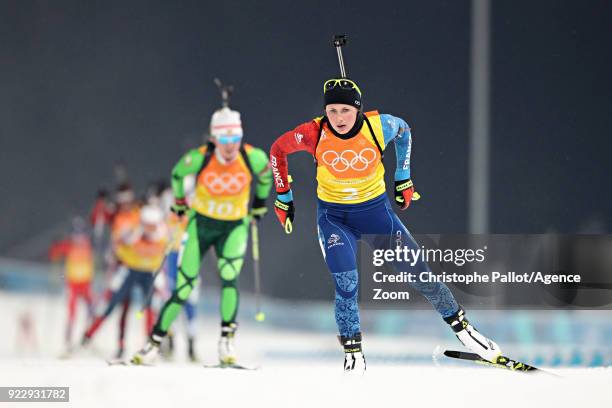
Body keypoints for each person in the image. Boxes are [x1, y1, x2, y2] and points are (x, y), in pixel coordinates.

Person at [268, 77, 501, 372]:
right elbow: (278, 149)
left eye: (345, 111)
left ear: (358, 110)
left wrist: (403, 175)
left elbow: (404, 130)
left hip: (377, 216)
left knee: (420, 274)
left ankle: (466, 332)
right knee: (347, 283)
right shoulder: (313, 132)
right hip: (334, 219)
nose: (338, 118)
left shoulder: (379, 126)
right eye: (333, 111)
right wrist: (283, 196)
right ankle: (353, 355)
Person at [132, 106, 273, 365]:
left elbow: (266, 177)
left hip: (234, 227)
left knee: (230, 278)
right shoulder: (200, 157)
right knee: (183, 289)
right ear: (213, 138)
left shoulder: (253, 157)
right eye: (224, 139)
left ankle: (226, 343)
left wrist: (260, 204)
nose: (230, 146)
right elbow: (177, 174)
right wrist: (179, 202)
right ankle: (153, 344)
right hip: (201, 226)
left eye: (235, 139)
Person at [81, 205, 168, 354]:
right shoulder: (132, 233)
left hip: (148, 274)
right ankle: (87, 337)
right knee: (112, 305)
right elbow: (115, 247)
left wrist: (161, 277)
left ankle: (151, 344)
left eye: (152, 226)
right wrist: (116, 258)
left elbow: (164, 254)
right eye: (147, 225)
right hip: (129, 271)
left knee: (151, 308)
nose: (150, 229)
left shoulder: (162, 235)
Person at [49, 216, 95, 351]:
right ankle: (68, 340)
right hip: (73, 283)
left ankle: (87, 338)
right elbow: (54, 254)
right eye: (76, 234)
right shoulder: (68, 245)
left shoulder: (88, 244)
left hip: (86, 283)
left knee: (91, 310)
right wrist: (55, 244)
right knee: (72, 312)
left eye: (80, 234)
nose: (78, 237)